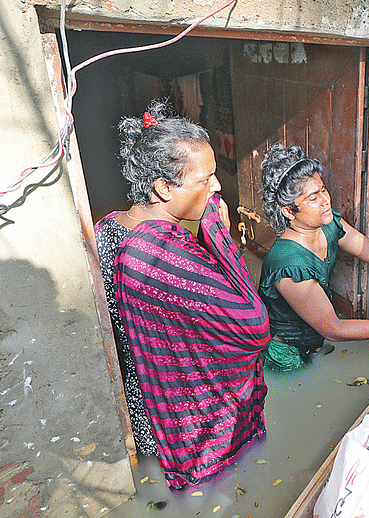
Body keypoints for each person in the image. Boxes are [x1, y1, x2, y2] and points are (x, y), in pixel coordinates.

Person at [96, 100, 272, 490]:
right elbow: (254, 327)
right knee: (223, 494)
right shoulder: (161, 254)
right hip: (189, 425)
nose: (217, 187)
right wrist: (221, 238)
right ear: (163, 188)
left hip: (144, 403)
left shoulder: (108, 228)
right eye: (206, 179)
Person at [258, 143, 369, 371]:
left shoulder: (329, 226)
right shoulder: (288, 265)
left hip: (315, 338)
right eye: (313, 198)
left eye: (323, 189)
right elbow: (335, 330)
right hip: (285, 353)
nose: (325, 200)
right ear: (289, 211)